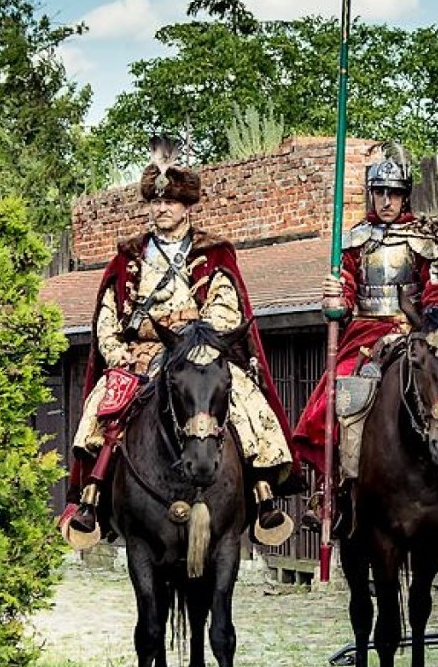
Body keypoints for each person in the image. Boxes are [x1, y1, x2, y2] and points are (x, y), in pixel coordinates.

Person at [63, 137, 300, 546]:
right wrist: (119, 354)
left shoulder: (214, 253)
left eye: (169, 202)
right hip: (138, 356)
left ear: (187, 205)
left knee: (244, 399)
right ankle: (93, 498)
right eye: (155, 202)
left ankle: (263, 495)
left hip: (197, 352)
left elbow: (226, 309)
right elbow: (106, 316)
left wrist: (191, 339)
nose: (161, 209)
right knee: (101, 412)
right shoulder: (128, 257)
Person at [293, 146, 438, 527]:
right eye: (379, 192)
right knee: (335, 396)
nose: (386, 201)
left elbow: (434, 290)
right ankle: (329, 491)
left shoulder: (423, 241)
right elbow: (348, 285)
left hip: (418, 329)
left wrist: (428, 320)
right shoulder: (354, 241)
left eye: (393, 193)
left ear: (404, 196)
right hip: (366, 331)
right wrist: (337, 299)